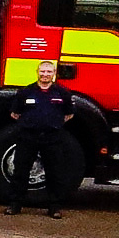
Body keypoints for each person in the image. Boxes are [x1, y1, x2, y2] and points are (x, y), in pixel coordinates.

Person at [7, 61, 71, 218]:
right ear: (37, 72)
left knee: (55, 173)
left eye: (49, 71)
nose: (45, 74)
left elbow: (69, 114)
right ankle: (15, 205)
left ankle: (54, 208)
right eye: (42, 71)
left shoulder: (62, 93)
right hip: (28, 137)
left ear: (54, 73)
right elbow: (15, 113)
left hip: (52, 137)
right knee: (20, 171)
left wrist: (52, 123)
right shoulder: (25, 92)